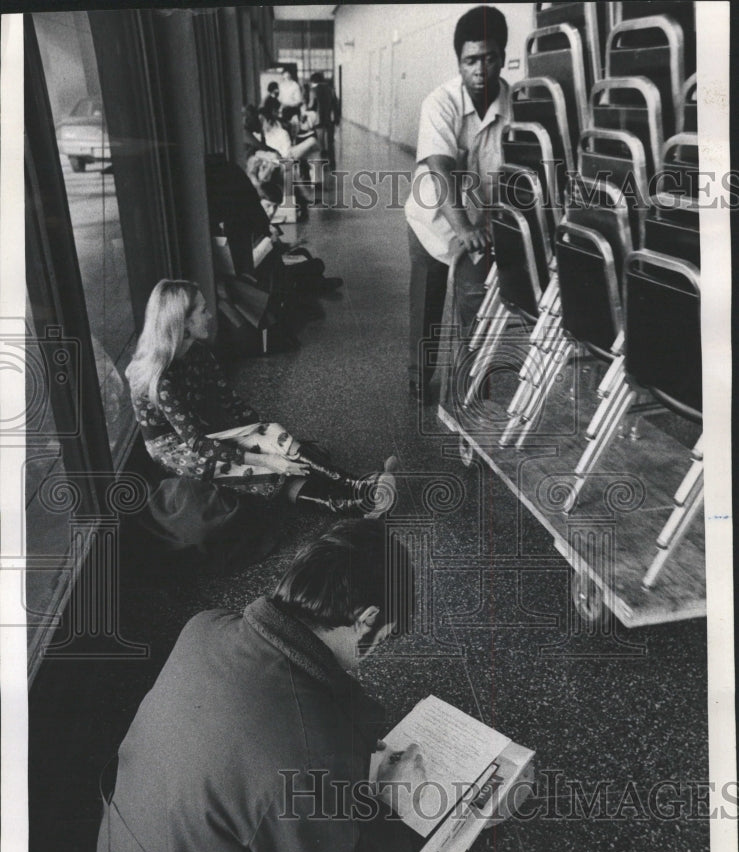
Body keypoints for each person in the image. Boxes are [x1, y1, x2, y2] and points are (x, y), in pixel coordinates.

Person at [97, 519, 427, 852]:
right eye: (386, 636)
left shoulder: (206, 624)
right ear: (368, 618)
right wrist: (393, 807)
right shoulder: (307, 753)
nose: (377, 653)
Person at [125, 280, 397, 547]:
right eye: (202, 311)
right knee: (263, 470)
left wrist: (266, 434)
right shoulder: (162, 379)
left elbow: (231, 402)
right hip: (176, 449)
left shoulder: (198, 354)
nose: (210, 315)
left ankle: (361, 486)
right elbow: (197, 443)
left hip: (200, 431)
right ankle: (358, 505)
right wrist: (265, 459)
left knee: (275, 437)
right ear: (182, 322)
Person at [404, 6, 510, 401]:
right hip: (431, 219)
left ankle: (471, 391)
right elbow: (440, 169)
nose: (480, 69)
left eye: (489, 58)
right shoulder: (440, 102)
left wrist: (481, 228)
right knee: (427, 301)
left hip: (479, 227)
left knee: (474, 307)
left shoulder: (513, 104)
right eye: (470, 60)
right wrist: (463, 227)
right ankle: (419, 376)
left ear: (502, 56)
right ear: (459, 62)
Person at [308, 71, 340, 171]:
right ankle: (332, 165)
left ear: (313, 81)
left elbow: (311, 105)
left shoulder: (313, 90)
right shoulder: (331, 90)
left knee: (320, 145)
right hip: (329, 120)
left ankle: (322, 166)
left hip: (318, 121)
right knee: (330, 143)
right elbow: (336, 106)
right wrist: (336, 119)